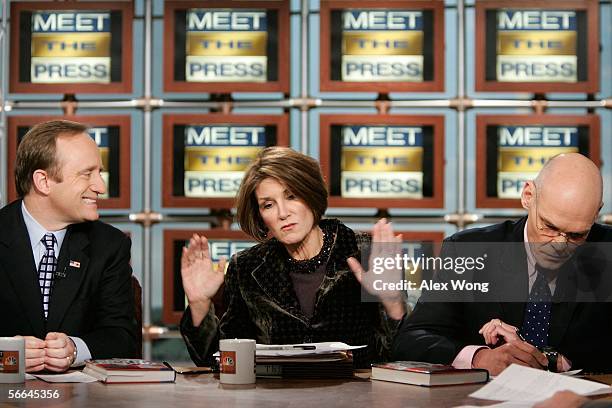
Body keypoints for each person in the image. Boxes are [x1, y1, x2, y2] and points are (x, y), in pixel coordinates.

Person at [180, 147, 406, 368]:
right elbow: (224, 362)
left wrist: (393, 302)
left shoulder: (367, 252)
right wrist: (199, 305)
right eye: (268, 205)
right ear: (260, 216)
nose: (283, 213)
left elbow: (404, 356)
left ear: (311, 193)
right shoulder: (246, 268)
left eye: (292, 196)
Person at [392, 153, 612, 375]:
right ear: (528, 195)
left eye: (576, 235)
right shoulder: (468, 249)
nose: (559, 245)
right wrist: (480, 357)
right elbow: (412, 340)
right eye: (549, 227)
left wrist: (549, 360)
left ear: (596, 213)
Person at [0, 120, 139, 373]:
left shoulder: (109, 246)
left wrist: (75, 349)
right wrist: (3, 355)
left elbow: (123, 339)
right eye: (87, 174)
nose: (101, 187)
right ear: (43, 182)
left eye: (99, 173)